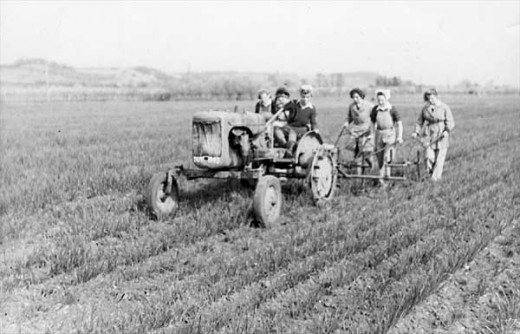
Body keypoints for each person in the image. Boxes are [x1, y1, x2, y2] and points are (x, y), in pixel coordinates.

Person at [412, 88, 455, 181]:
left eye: (432, 98)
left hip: (440, 134)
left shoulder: (444, 107)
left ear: (436, 97)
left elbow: (450, 121)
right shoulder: (425, 108)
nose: (430, 100)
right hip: (428, 135)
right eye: (428, 98)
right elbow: (419, 121)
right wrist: (416, 132)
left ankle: (434, 180)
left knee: (439, 159)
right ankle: (429, 173)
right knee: (428, 156)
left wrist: (447, 130)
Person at [370, 90, 403, 187]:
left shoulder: (392, 109)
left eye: (382, 100)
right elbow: (372, 123)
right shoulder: (375, 110)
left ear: (386, 99)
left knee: (387, 157)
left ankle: (387, 178)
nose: (380, 102)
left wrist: (399, 137)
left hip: (390, 134)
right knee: (379, 157)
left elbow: (399, 123)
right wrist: (372, 134)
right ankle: (381, 180)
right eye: (378, 100)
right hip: (379, 134)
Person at [275, 85, 318, 158]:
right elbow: (284, 107)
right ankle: (285, 144)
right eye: (303, 97)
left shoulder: (311, 108)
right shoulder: (295, 104)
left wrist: (315, 129)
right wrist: (285, 101)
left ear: (310, 97)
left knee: (292, 133)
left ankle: (290, 150)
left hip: (302, 128)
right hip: (290, 126)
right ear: (301, 96)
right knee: (276, 129)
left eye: (307, 97)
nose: (305, 99)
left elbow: (313, 121)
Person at [343, 88, 375, 174]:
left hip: (366, 130)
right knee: (357, 153)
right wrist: (346, 123)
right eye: (353, 97)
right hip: (355, 131)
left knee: (367, 153)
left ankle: (373, 169)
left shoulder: (369, 106)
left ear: (361, 96)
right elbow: (349, 117)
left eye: (357, 97)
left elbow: (374, 119)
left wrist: (372, 131)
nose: (355, 99)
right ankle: (359, 174)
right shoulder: (352, 106)